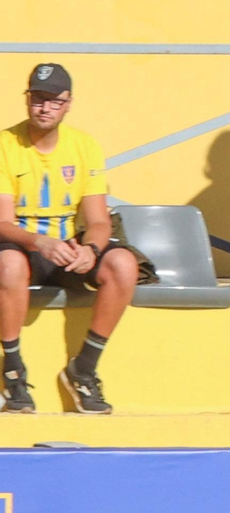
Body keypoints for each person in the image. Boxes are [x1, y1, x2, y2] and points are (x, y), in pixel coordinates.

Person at [0, 63, 140, 415]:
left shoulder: (84, 146)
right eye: (37, 98)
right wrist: (38, 242)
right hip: (25, 247)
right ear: (27, 99)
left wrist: (91, 250)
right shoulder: (5, 144)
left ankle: (84, 369)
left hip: (67, 249)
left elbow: (97, 220)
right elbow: (2, 222)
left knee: (123, 264)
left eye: (53, 101)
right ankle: (13, 373)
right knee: (8, 263)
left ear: (68, 103)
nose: (44, 108)